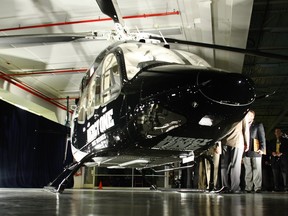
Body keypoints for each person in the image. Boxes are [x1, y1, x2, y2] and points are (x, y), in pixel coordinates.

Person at [220, 113, 250, 193]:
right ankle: (235, 188)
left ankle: (225, 186)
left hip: (224, 141)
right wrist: (247, 142)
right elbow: (246, 129)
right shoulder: (243, 111)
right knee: (235, 165)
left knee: (224, 165)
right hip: (237, 141)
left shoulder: (225, 110)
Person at [243, 110, 266, 193]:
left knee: (257, 169)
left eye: (249, 115)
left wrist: (262, 149)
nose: (247, 116)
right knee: (248, 169)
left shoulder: (258, 125)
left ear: (253, 116)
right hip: (245, 151)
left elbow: (262, 137)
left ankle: (257, 187)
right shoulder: (243, 125)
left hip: (256, 150)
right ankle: (248, 187)